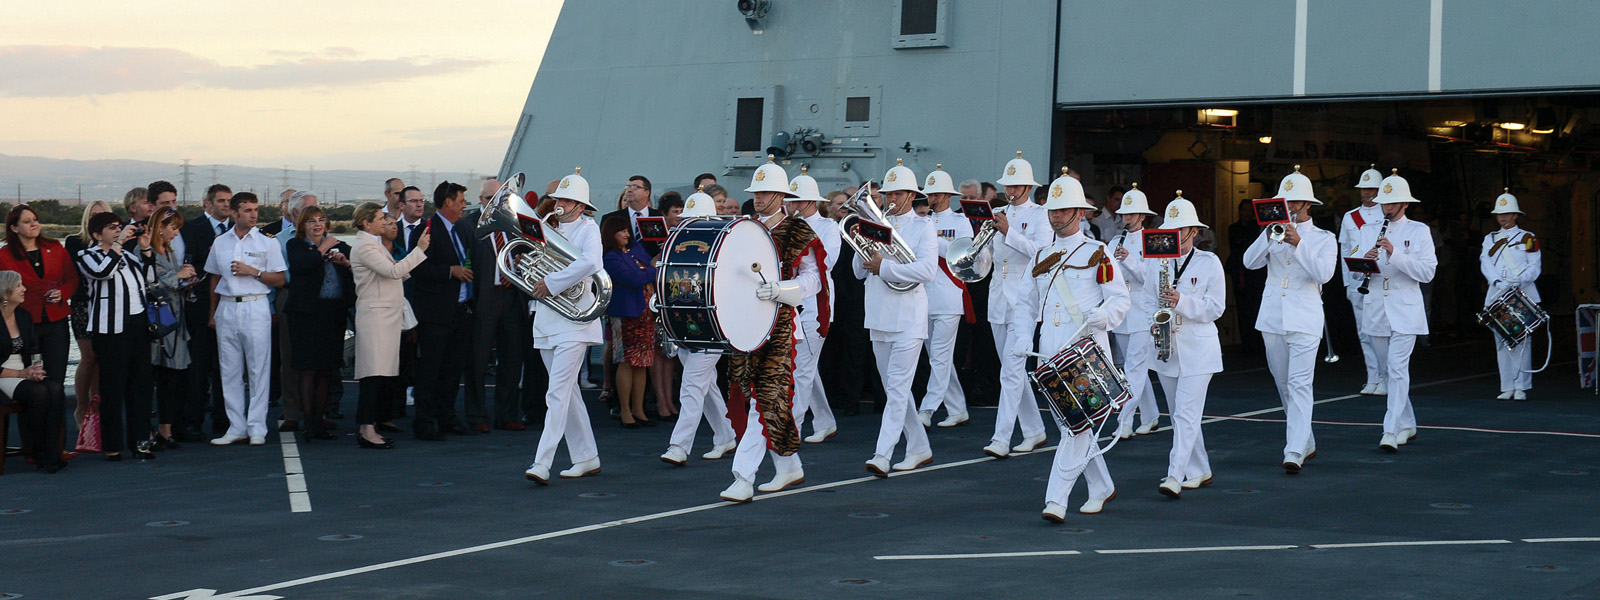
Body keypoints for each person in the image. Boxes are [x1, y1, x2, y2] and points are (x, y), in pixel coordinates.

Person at [1016, 171, 1129, 521]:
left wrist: (1103, 317)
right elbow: (1024, 303)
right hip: (1050, 353)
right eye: (1053, 209)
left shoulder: (1099, 253)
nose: (1056, 215)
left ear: (1080, 213)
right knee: (1071, 427)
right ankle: (1100, 486)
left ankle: (1056, 500)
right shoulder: (1040, 256)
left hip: (1085, 354)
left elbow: (1120, 300)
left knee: (1078, 427)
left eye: (1064, 210)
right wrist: (1022, 338)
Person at [719, 158, 823, 502]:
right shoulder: (744, 228)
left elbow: (814, 280)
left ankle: (743, 475)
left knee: (763, 400)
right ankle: (788, 466)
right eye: (756, 191)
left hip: (780, 328)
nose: (758, 197)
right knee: (762, 400)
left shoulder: (797, 230)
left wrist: (783, 289)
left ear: (781, 195)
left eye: (765, 192)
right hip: (745, 326)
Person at [1242, 167, 1337, 472]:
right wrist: (1269, 235)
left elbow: (1324, 274)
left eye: (1295, 202)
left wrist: (1299, 243)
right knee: (1283, 383)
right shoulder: (1272, 231)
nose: (1290, 207)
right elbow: (1249, 262)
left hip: (1305, 315)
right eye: (1285, 201)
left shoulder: (1324, 238)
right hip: (1272, 316)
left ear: (1308, 204)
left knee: (1299, 384)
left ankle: (1293, 449)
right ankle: (1305, 440)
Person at [856, 160, 941, 476]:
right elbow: (857, 272)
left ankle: (882, 453)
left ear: (911, 195)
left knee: (896, 388)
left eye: (898, 193)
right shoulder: (876, 224)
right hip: (878, 315)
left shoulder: (923, 227)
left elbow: (927, 270)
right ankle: (919, 447)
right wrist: (861, 243)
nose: (892, 198)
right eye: (889, 192)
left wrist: (885, 267)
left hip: (908, 317)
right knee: (897, 389)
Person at [523, 168, 605, 484]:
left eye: (569, 201)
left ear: (581, 206)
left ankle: (542, 462)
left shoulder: (589, 229)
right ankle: (586, 457)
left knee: (556, 393)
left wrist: (552, 282)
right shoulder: (548, 227)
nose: (561, 204)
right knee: (567, 394)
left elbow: (591, 262)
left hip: (574, 321)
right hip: (546, 320)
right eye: (559, 198)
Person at [1147, 192, 1226, 498]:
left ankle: (1174, 474)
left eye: (1179, 230)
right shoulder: (1157, 262)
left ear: (1194, 231)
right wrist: (1152, 322)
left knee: (1186, 415)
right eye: (1169, 230)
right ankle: (1200, 469)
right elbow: (1145, 301)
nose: (1173, 236)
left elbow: (1215, 308)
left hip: (1198, 345)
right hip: (1167, 345)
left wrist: (1182, 301)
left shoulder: (1209, 262)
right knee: (1179, 413)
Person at [1357, 171, 1437, 453]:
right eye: (1384, 204)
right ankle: (1407, 423)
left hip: (1405, 307)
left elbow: (1427, 272)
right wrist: (1365, 262)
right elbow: (1355, 269)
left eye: (1392, 204)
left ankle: (1390, 430)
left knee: (1398, 368)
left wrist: (1395, 254)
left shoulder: (1419, 231)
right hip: (1376, 305)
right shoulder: (1368, 229)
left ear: (1405, 204)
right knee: (1388, 371)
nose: (1386, 208)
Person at [659, 189, 739, 466]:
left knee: (692, 385)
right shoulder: (675, 244)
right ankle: (726, 435)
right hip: (683, 323)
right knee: (706, 386)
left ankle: (679, 446)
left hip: (713, 327)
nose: (687, 224)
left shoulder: (725, 247)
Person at [984, 152, 1052, 459]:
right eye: (1008, 186)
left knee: (1011, 371)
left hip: (1025, 297)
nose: (1011, 191)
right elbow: (990, 257)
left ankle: (1001, 438)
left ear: (1028, 187)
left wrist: (1009, 232)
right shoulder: (998, 213)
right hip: (998, 296)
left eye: (1017, 186)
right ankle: (1035, 431)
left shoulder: (1040, 214)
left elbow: (1041, 252)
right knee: (1011, 370)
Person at [205, 192, 287, 447]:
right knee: (229, 370)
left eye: (255, 210)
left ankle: (257, 427)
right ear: (234, 213)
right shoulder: (220, 242)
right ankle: (236, 426)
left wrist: (255, 271)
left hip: (255, 305)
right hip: (227, 307)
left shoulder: (268, 242)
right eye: (248, 210)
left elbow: (281, 280)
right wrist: (212, 313)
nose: (254, 215)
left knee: (258, 369)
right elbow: (214, 278)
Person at [76, 211, 157, 460]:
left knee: (141, 386)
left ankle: (141, 440)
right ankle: (112, 445)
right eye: (111, 228)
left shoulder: (129, 257)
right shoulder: (86, 256)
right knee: (112, 388)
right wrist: (120, 243)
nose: (117, 230)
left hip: (137, 324)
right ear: (98, 234)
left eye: (119, 226)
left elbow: (150, 282)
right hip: (109, 329)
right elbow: (103, 273)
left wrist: (145, 251)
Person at [351, 202, 430, 449]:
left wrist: (408, 265)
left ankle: (371, 425)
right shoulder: (365, 246)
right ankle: (367, 429)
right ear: (367, 223)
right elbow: (393, 272)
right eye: (379, 219)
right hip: (376, 318)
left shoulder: (371, 245)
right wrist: (419, 251)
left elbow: (391, 273)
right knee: (372, 375)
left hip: (383, 318)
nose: (385, 223)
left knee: (381, 375)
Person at [410, 181, 477, 441]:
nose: (463, 206)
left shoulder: (459, 230)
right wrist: (450, 271)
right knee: (431, 369)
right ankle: (424, 422)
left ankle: (447, 417)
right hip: (436, 314)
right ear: (448, 202)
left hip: (460, 310)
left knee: (452, 369)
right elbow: (417, 269)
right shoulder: (427, 229)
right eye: (460, 201)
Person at [285, 206, 354, 442]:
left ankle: (320, 420)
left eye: (321, 220)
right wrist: (323, 247)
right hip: (306, 315)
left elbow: (356, 274)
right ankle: (309, 423)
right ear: (302, 225)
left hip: (333, 312)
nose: (317, 225)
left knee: (326, 369)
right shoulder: (296, 246)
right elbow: (301, 266)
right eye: (311, 221)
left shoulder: (341, 246)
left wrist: (345, 263)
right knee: (308, 368)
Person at [0, 205, 79, 409]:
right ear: (14, 228)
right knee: (31, 384)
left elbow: (72, 278)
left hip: (56, 322)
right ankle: (31, 439)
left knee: (56, 384)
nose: (34, 224)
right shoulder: (5, 255)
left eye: (35, 219)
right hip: (24, 325)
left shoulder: (54, 247)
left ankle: (55, 439)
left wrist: (63, 293)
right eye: (27, 221)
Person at [784, 168, 840, 443]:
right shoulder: (786, 224)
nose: (790, 205)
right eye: (789, 200)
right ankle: (825, 420)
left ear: (810, 202)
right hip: (790, 302)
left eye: (796, 201)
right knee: (806, 366)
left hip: (815, 304)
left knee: (803, 368)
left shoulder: (829, 227)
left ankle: (793, 428)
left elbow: (825, 263)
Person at [470, 182, 532, 431]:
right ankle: (477, 416)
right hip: (485, 300)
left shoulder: (513, 224)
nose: (497, 203)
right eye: (491, 198)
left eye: (502, 198)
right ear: (481, 199)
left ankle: (506, 415)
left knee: (512, 359)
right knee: (478, 360)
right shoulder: (469, 226)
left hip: (511, 298)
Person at [917, 165, 974, 428]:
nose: (932, 198)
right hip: (923, 295)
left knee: (939, 355)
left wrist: (928, 237)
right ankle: (957, 408)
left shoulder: (960, 222)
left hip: (949, 296)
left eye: (937, 194)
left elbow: (962, 255)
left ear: (948, 196)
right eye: (930, 193)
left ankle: (927, 409)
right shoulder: (920, 220)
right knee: (938, 357)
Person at [1109, 183, 1162, 438]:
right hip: (1122, 310)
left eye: (1131, 214)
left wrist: (1128, 258)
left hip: (1142, 308)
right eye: (1124, 214)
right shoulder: (1113, 241)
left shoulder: (1151, 241)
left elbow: (1148, 278)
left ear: (1142, 216)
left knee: (1135, 367)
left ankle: (1125, 421)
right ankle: (1150, 414)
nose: (1126, 219)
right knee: (1133, 367)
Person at [0, 271, 67, 472]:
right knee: (38, 393)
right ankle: (38, 451)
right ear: (5, 293)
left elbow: (34, 348)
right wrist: (21, 374)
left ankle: (52, 452)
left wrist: (36, 369)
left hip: (25, 373)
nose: (24, 289)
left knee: (55, 388)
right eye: (19, 285)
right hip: (3, 375)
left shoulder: (23, 315)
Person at [179, 185, 231, 440]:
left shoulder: (239, 230)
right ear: (207, 203)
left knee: (227, 368)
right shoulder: (191, 228)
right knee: (198, 367)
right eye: (221, 201)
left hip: (232, 306)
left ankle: (224, 420)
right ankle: (194, 420)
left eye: (229, 201)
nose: (226, 205)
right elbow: (186, 263)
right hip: (199, 306)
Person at [1480, 189, 1541, 401]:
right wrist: (1496, 280)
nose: (1503, 217)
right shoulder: (1490, 238)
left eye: (1507, 213)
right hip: (1498, 292)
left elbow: (1535, 266)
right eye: (1499, 214)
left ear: (1516, 215)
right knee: (1501, 340)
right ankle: (1506, 386)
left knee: (1521, 339)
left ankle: (1521, 386)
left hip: (1521, 292)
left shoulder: (1528, 237)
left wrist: (1519, 280)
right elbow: (1485, 263)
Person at [601, 214, 658, 427]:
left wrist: (648, 270)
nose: (626, 234)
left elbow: (645, 269)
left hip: (645, 314)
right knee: (625, 362)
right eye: (621, 231)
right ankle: (625, 411)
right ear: (611, 234)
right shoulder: (610, 257)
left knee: (642, 363)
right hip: (625, 314)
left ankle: (638, 409)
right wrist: (651, 270)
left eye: (627, 230)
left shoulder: (634, 250)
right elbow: (635, 278)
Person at [146, 208, 193, 451]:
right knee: (152, 376)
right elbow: (147, 283)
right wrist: (178, 276)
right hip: (156, 323)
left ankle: (167, 428)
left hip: (176, 321)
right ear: (159, 227)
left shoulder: (170, 251)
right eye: (173, 228)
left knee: (171, 377)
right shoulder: (145, 251)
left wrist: (188, 282)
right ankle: (148, 430)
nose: (176, 233)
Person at [64, 201, 108, 446]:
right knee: (88, 356)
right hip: (82, 305)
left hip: (107, 307)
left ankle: (96, 409)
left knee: (102, 356)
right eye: (93, 215)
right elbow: (74, 272)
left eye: (102, 216)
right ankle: (81, 408)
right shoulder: (74, 241)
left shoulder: (114, 244)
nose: (97, 219)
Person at [1342, 165, 1387, 395]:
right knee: (1363, 332)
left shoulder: (1387, 215)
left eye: (1372, 189)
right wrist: (1346, 282)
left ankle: (1385, 378)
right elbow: (1345, 251)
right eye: (1364, 189)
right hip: (1356, 281)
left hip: (1378, 280)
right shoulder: (1350, 217)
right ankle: (1372, 376)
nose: (1367, 193)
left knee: (1379, 330)